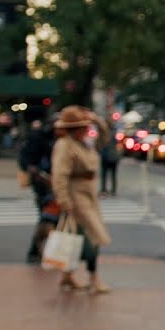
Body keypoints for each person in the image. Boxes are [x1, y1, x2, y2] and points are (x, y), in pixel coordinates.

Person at [50, 106, 113, 293]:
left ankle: (67, 276)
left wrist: (97, 120)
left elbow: (105, 138)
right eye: (82, 126)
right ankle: (93, 277)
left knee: (74, 238)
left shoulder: (85, 143)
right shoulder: (65, 145)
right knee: (92, 237)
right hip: (76, 196)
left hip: (88, 194)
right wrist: (64, 201)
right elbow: (59, 175)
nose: (86, 129)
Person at [19, 118, 56, 264]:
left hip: (53, 183)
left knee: (50, 218)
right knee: (47, 217)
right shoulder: (39, 138)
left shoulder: (60, 140)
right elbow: (28, 160)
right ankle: (36, 250)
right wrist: (37, 173)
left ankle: (41, 250)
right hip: (44, 184)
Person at [99, 120, 121, 196]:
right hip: (112, 157)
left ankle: (105, 189)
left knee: (105, 174)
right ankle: (111, 190)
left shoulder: (106, 135)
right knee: (112, 175)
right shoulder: (115, 134)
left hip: (108, 157)